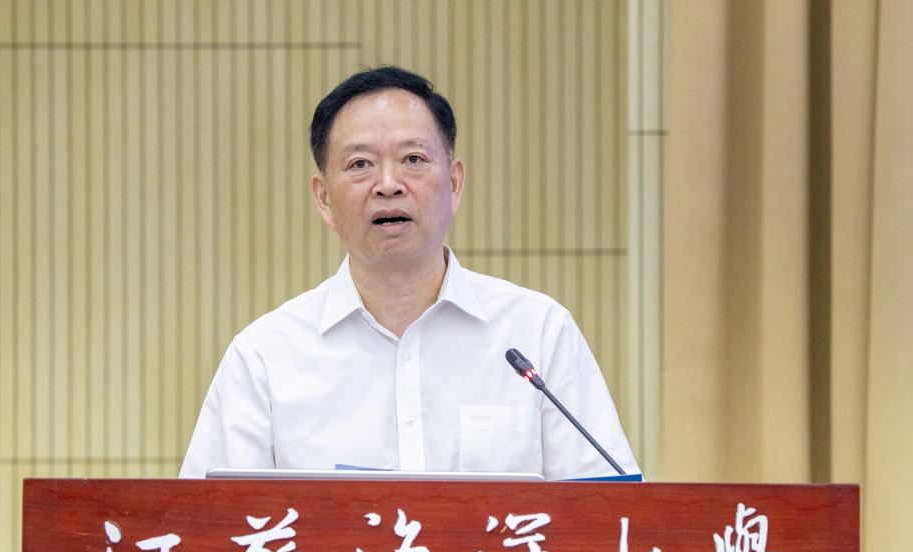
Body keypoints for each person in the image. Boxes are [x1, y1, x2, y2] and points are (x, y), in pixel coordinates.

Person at [179, 66, 640, 480]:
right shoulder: (265, 357)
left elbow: (609, 515)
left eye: (413, 160)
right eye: (360, 164)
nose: (388, 184)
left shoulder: (538, 334)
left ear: (454, 184)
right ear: (324, 198)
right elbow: (206, 528)